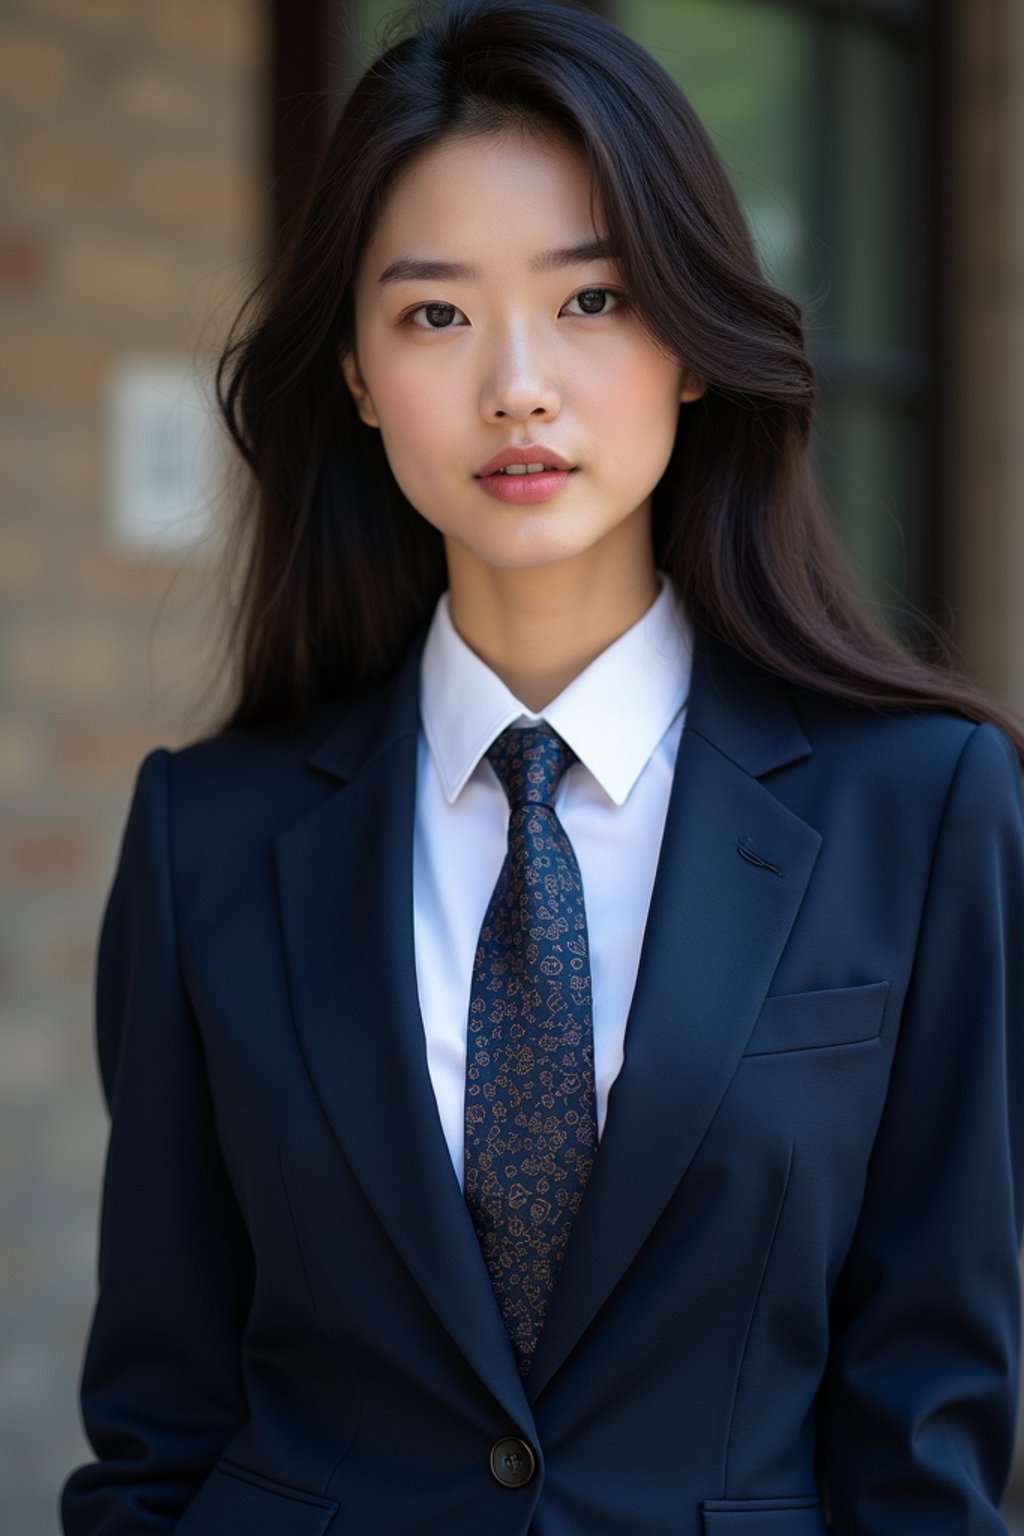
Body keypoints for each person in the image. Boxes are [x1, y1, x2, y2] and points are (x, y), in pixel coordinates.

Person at [61, 0, 1024, 1531]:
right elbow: (160, 1420)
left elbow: (927, 1441)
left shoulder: (920, 809)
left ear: (695, 348)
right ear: (362, 376)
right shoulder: (211, 835)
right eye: (435, 315)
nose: (518, 382)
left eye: (592, 300)